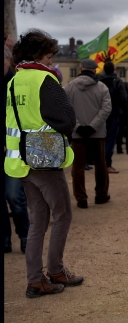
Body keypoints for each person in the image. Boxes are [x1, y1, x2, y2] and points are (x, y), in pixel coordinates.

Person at [5, 29, 84, 297]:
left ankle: (34, 280)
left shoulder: (13, 81)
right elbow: (66, 118)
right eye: (49, 55)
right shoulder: (45, 79)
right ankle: (56, 270)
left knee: (37, 220)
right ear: (38, 54)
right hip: (45, 157)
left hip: (21, 161)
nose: (52, 61)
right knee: (62, 214)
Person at [64, 59, 112, 208]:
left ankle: (81, 198)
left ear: (80, 68)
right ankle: (101, 194)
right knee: (100, 164)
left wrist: (77, 126)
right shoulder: (102, 87)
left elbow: (66, 109)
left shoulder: (69, 87)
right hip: (97, 133)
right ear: (95, 70)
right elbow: (106, 109)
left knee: (78, 167)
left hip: (77, 133)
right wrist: (93, 126)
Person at [4, 41, 30, 254]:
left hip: (13, 152)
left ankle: (24, 235)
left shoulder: (17, 84)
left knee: (15, 197)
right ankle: (5, 239)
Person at [98, 60, 127, 173]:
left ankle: (99, 163)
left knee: (100, 139)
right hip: (113, 113)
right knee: (110, 140)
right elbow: (123, 98)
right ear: (114, 69)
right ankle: (107, 164)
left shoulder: (98, 81)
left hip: (100, 113)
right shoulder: (117, 81)